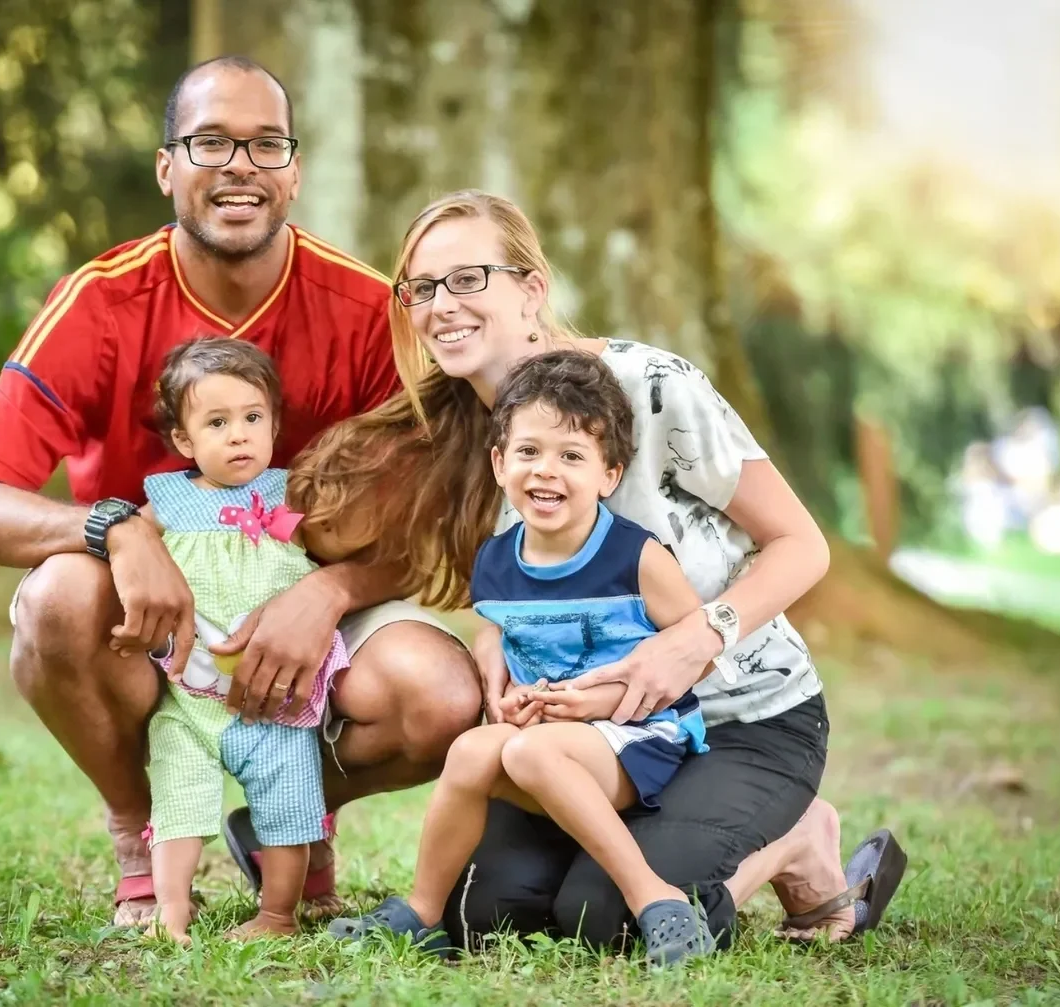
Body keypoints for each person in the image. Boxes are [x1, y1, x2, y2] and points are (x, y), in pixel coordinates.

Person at [0, 56, 480, 927]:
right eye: (211, 142)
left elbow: (428, 515)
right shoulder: (103, 302)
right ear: (166, 168)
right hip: (153, 607)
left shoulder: (372, 310)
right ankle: (141, 828)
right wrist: (119, 530)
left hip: (315, 608)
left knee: (441, 698)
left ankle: (283, 810)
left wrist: (327, 590)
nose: (240, 167)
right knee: (56, 601)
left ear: (295, 172)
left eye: (266, 145)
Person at [288, 190, 907, 952]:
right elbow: (503, 590)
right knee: (488, 916)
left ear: (532, 290)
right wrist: (494, 656)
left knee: (606, 920)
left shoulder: (650, 388)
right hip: (585, 738)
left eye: (468, 278)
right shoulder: (477, 445)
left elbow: (803, 544)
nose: (442, 304)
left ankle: (797, 838)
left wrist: (695, 639)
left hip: (736, 721)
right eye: (422, 287)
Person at [330, 351, 718, 969]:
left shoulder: (636, 559)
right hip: (550, 737)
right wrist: (511, 694)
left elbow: (695, 655)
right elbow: (509, 641)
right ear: (499, 462)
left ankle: (655, 898)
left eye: (572, 456)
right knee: (473, 749)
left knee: (527, 748)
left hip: (641, 734)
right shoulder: (495, 562)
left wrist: (599, 702)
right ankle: (422, 913)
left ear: (609, 475)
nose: (547, 471)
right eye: (530, 451)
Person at [138, 339, 348, 943]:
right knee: (179, 794)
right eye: (218, 422)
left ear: (275, 425)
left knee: (290, 802)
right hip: (191, 696)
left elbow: (346, 550)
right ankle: (170, 912)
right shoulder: (168, 501)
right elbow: (132, 551)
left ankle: (277, 915)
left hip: (277, 695)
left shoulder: (295, 492)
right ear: (184, 440)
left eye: (253, 419)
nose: (239, 436)